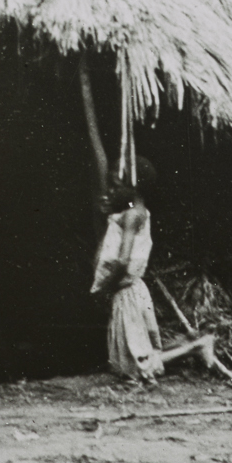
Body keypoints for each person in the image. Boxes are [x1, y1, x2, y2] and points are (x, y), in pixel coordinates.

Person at [90, 162, 220, 383]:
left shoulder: (132, 216)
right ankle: (190, 341)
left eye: (116, 185)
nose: (111, 191)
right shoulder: (133, 212)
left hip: (126, 291)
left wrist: (108, 285)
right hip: (132, 290)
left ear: (133, 186)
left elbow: (123, 260)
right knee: (130, 357)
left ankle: (197, 345)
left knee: (137, 368)